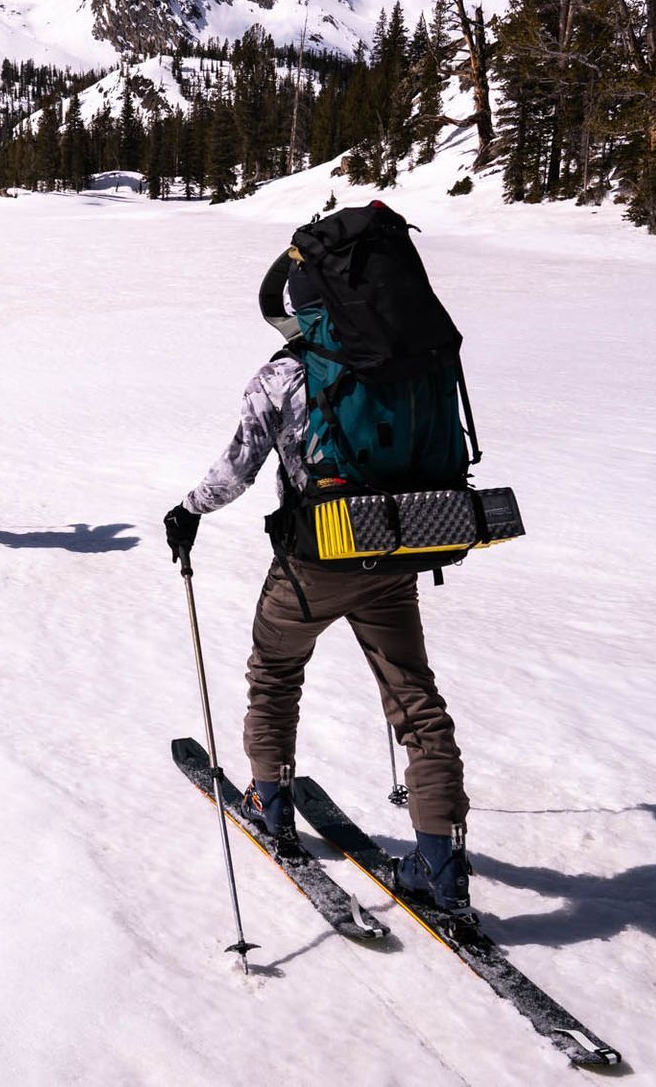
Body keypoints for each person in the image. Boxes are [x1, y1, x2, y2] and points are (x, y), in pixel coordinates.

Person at [163, 262, 474, 918]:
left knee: (275, 672)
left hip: (316, 559)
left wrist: (190, 510)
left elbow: (239, 467)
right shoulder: (400, 360)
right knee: (416, 701)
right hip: (396, 550)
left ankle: (270, 801)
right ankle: (442, 865)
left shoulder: (281, 375)